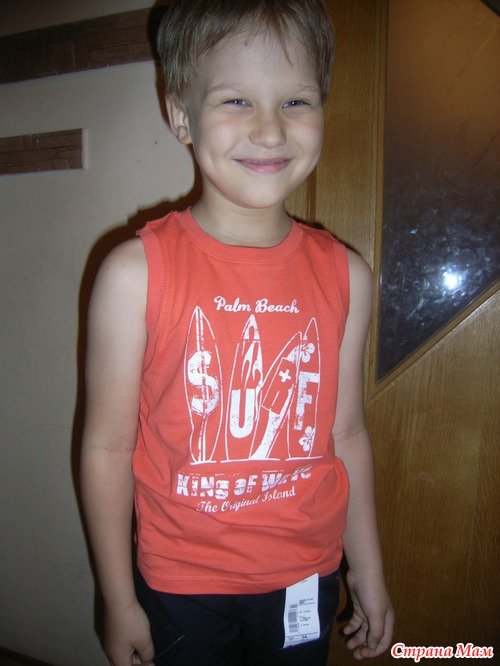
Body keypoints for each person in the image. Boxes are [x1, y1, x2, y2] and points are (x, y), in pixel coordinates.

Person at [80, 1, 394, 664]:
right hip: (180, 585)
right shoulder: (134, 276)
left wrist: (367, 568)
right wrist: (117, 599)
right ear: (180, 115)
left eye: (295, 102)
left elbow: (346, 436)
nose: (270, 130)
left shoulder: (348, 277)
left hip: (305, 576)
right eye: (236, 100)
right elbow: (107, 447)